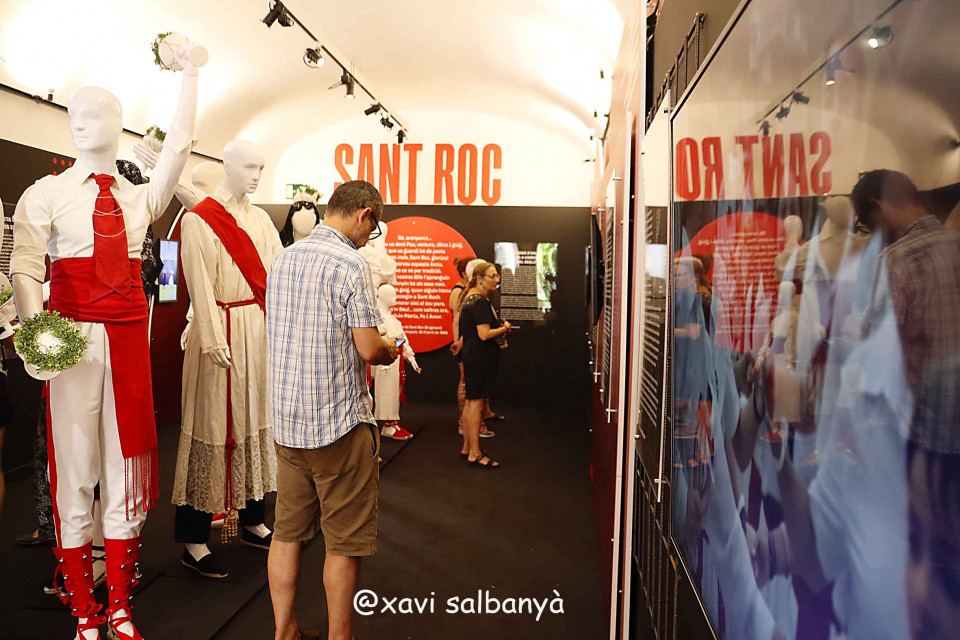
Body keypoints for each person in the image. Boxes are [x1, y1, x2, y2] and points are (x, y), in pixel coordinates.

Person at [266, 180, 399, 640]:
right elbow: (368, 348)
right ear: (364, 214)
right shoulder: (350, 263)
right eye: (373, 228)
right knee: (343, 543)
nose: (369, 238)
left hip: (287, 424)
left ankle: (284, 631)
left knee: (286, 533)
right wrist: (390, 349)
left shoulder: (284, 258)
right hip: (337, 425)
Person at [173, 140, 282, 578]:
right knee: (211, 424)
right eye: (250, 166)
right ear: (227, 165)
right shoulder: (199, 219)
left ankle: (253, 520)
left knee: (254, 418)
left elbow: (276, 275)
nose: (256, 175)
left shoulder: (261, 219)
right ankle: (194, 539)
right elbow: (198, 283)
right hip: (220, 327)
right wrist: (212, 337)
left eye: (261, 167)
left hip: (256, 330)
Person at [458, 261, 511, 468]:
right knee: (475, 403)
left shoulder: (469, 298)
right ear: (479, 279)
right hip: (479, 357)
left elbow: (470, 330)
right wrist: (505, 328)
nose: (497, 280)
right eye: (492, 276)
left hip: (473, 355)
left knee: (471, 402)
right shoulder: (479, 301)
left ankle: (467, 447)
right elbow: (484, 333)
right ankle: (475, 452)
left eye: (497, 275)